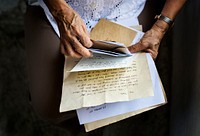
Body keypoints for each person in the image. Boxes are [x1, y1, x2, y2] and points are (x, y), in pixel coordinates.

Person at [24, 0, 186, 135]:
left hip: (126, 7)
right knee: (49, 106)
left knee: (135, 92)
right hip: (60, 7)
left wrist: (160, 27)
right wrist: (61, 13)